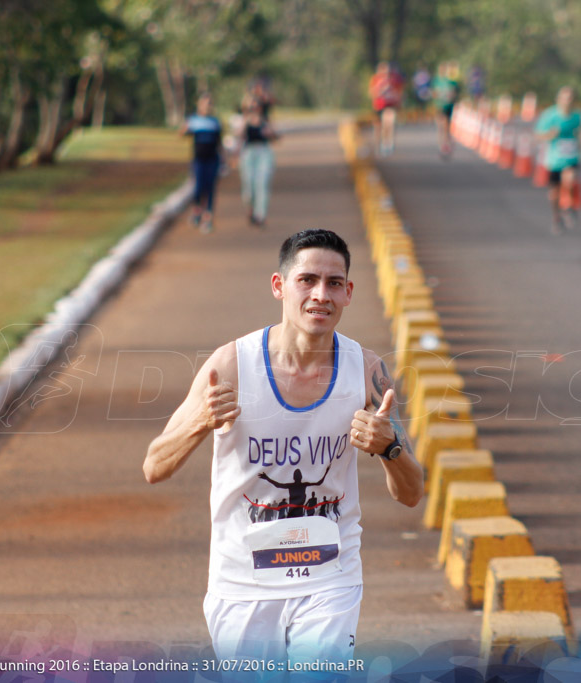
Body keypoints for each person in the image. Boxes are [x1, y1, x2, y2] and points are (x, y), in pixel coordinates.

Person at [143, 229, 424, 665]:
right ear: (279, 286)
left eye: (334, 284)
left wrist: (389, 449)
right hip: (243, 582)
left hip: (331, 574)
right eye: (306, 280)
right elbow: (154, 466)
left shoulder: (367, 371)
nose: (320, 295)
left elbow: (412, 493)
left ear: (348, 293)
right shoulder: (231, 365)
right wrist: (201, 421)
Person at [535, 86, 581, 234]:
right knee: (554, 192)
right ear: (558, 99)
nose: (567, 101)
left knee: (570, 178)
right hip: (554, 158)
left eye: (570, 98)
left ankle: (568, 207)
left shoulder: (577, 117)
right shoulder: (550, 115)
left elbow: (579, 133)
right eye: (564, 98)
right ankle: (556, 217)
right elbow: (538, 135)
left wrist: (579, 142)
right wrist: (551, 134)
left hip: (571, 156)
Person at [180, 92, 223, 233]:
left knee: (210, 187)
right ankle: (197, 211)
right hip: (199, 159)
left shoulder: (215, 122)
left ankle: (208, 217)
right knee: (198, 186)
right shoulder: (193, 120)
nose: (206, 106)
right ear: (199, 104)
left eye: (209, 103)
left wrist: (225, 159)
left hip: (213, 159)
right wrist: (185, 129)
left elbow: (219, 143)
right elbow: (182, 134)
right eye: (204, 103)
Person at [239, 101, 278, 228]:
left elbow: (275, 137)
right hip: (249, 153)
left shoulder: (265, 121)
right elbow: (238, 135)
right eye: (252, 107)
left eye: (257, 107)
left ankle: (260, 215)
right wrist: (245, 121)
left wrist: (270, 132)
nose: (254, 109)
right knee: (249, 185)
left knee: (262, 183)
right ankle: (251, 208)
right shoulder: (245, 121)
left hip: (264, 153)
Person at [369, 61, 404, 157]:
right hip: (379, 106)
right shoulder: (375, 79)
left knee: (389, 122)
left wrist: (398, 100)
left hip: (390, 105)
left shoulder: (394, 80)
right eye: (383, 70)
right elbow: (372, 93)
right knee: (379, 128)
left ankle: (388, 143)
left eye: (387, 70)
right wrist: (381, 90)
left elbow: (399, 93)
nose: (386, 72)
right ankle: (378, 144)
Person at [432, 61, 462, 159]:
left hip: (449, 106)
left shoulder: (450, 82)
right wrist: (438, 96)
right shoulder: (436, 81)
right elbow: (434, 94)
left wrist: (451, 97)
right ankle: (442, 144)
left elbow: (455, 93)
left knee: (447, 126)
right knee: (441, 125)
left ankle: (446, 143)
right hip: (440, 106)